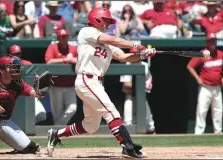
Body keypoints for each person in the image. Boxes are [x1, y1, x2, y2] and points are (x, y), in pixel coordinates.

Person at [46, 7, 156, 158]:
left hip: (96, 83)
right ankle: (127, 146)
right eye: (106, 21)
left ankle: (55, 134)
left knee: (90, 126)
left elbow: (124, 58)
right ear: (97, 19)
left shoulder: (107, 42)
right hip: (86, 80)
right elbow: (114, 39)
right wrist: (134, 45)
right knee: (111, 112)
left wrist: (142, 55)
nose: (108, 25)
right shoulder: (87, 31)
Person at [0, 55, 44, 154]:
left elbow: (32, 92)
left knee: (29, 149)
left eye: (16, 67)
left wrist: (40, 92)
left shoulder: (18, 84)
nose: (15, 70)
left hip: (3, 122)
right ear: (2, 70)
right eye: (11, 67)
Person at [186, 33, 223, 135]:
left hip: (217, 87)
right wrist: (197, 78)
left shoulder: (221, 54)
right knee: (202, 110)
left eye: (214, 41)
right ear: (207, 43)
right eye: (211, 41)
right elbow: (190, 66)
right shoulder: (202, 54)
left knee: (218, 110)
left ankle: (218, 131)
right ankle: (199, 132)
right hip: (205, 87)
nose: (213, 43)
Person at [45, 29, 78, 125]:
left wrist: (75, 60)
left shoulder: (73, 48)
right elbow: (48, 61)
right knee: (57, 113)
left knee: (72, 108)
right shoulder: (52, 47)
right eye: (61, 37)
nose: (64, 39)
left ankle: (56, 128)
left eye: (65, 36)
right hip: (56, 85)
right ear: (58, 38)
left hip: (70, 85)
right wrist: (64, 59)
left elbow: (81, 60)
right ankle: (58, 132)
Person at [120, 55, 155, 134]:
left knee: (148, 118)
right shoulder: (127, 64)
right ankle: (128, 130)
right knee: (128, 114)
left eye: (137, 54)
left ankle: (151, 131)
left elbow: (149, 80)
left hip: (141, 94)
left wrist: (144, 88)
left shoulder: (145, 65)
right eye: (133, 54)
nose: (135, 56)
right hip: (130, 93)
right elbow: (126, 84)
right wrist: (138, 86)